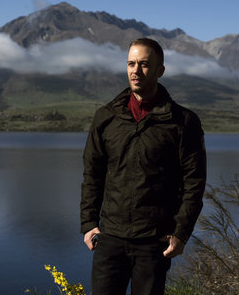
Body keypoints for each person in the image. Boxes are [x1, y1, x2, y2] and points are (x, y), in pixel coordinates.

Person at [80, 38, 207, 295]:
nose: (136, 71)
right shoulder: (106, 117)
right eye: (131, 63)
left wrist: (180, 233)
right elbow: (93, 173)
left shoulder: (183, 122)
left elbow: (194, 183)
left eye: (144, 64)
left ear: (160, 70)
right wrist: (88, 223)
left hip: (154, 241)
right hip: (110, 238)